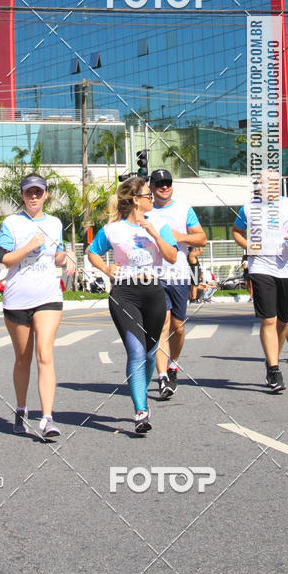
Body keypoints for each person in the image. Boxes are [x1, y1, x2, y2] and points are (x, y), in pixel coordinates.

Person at [87, 177, 177, 433]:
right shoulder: (113, 229)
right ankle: (140, 410)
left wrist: (154, 234)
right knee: (136, 352)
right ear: (136, 200)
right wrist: (106, 269)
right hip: (124, 294)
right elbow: (92, 252)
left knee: (149, 353)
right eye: (148, 195)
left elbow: (172, 257)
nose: (152, 198)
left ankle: (142, 398)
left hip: (154, 293)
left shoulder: (160, 225)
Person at [0, 173, 75, 440]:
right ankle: (21, 408)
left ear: (46, 195)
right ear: (22, 195)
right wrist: (29, 246)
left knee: (45, 354)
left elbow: (56, 255)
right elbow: (5, 259)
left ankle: (47, 417)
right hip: (17, 298)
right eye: (29, 192)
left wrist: (67, 256)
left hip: (48, 296)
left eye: (38, 192)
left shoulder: (54, 223)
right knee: (23, 358)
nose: (33, 196)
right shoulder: (11, 223)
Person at [232, 170, 288, 393]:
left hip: (286, 269)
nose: (263, 186)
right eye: (260, 182)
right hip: (260, 268)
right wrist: (247, 245)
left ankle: (271, 359)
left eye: (267, 182)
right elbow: (237, 231)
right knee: (268, 319)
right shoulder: (249, 208)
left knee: (282, 322)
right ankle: (274, 370)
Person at [147, 168, 207, 399]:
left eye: (168, 183)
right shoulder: (145, 211)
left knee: (178, 327)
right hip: (154, 276)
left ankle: (173, 364)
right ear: (151, 187)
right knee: (162, 325)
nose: (164, 187)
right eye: (159, 183)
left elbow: (201, 238)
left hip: (179, 275)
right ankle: (162, 377)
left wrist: (178, 236)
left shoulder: (184, 210)